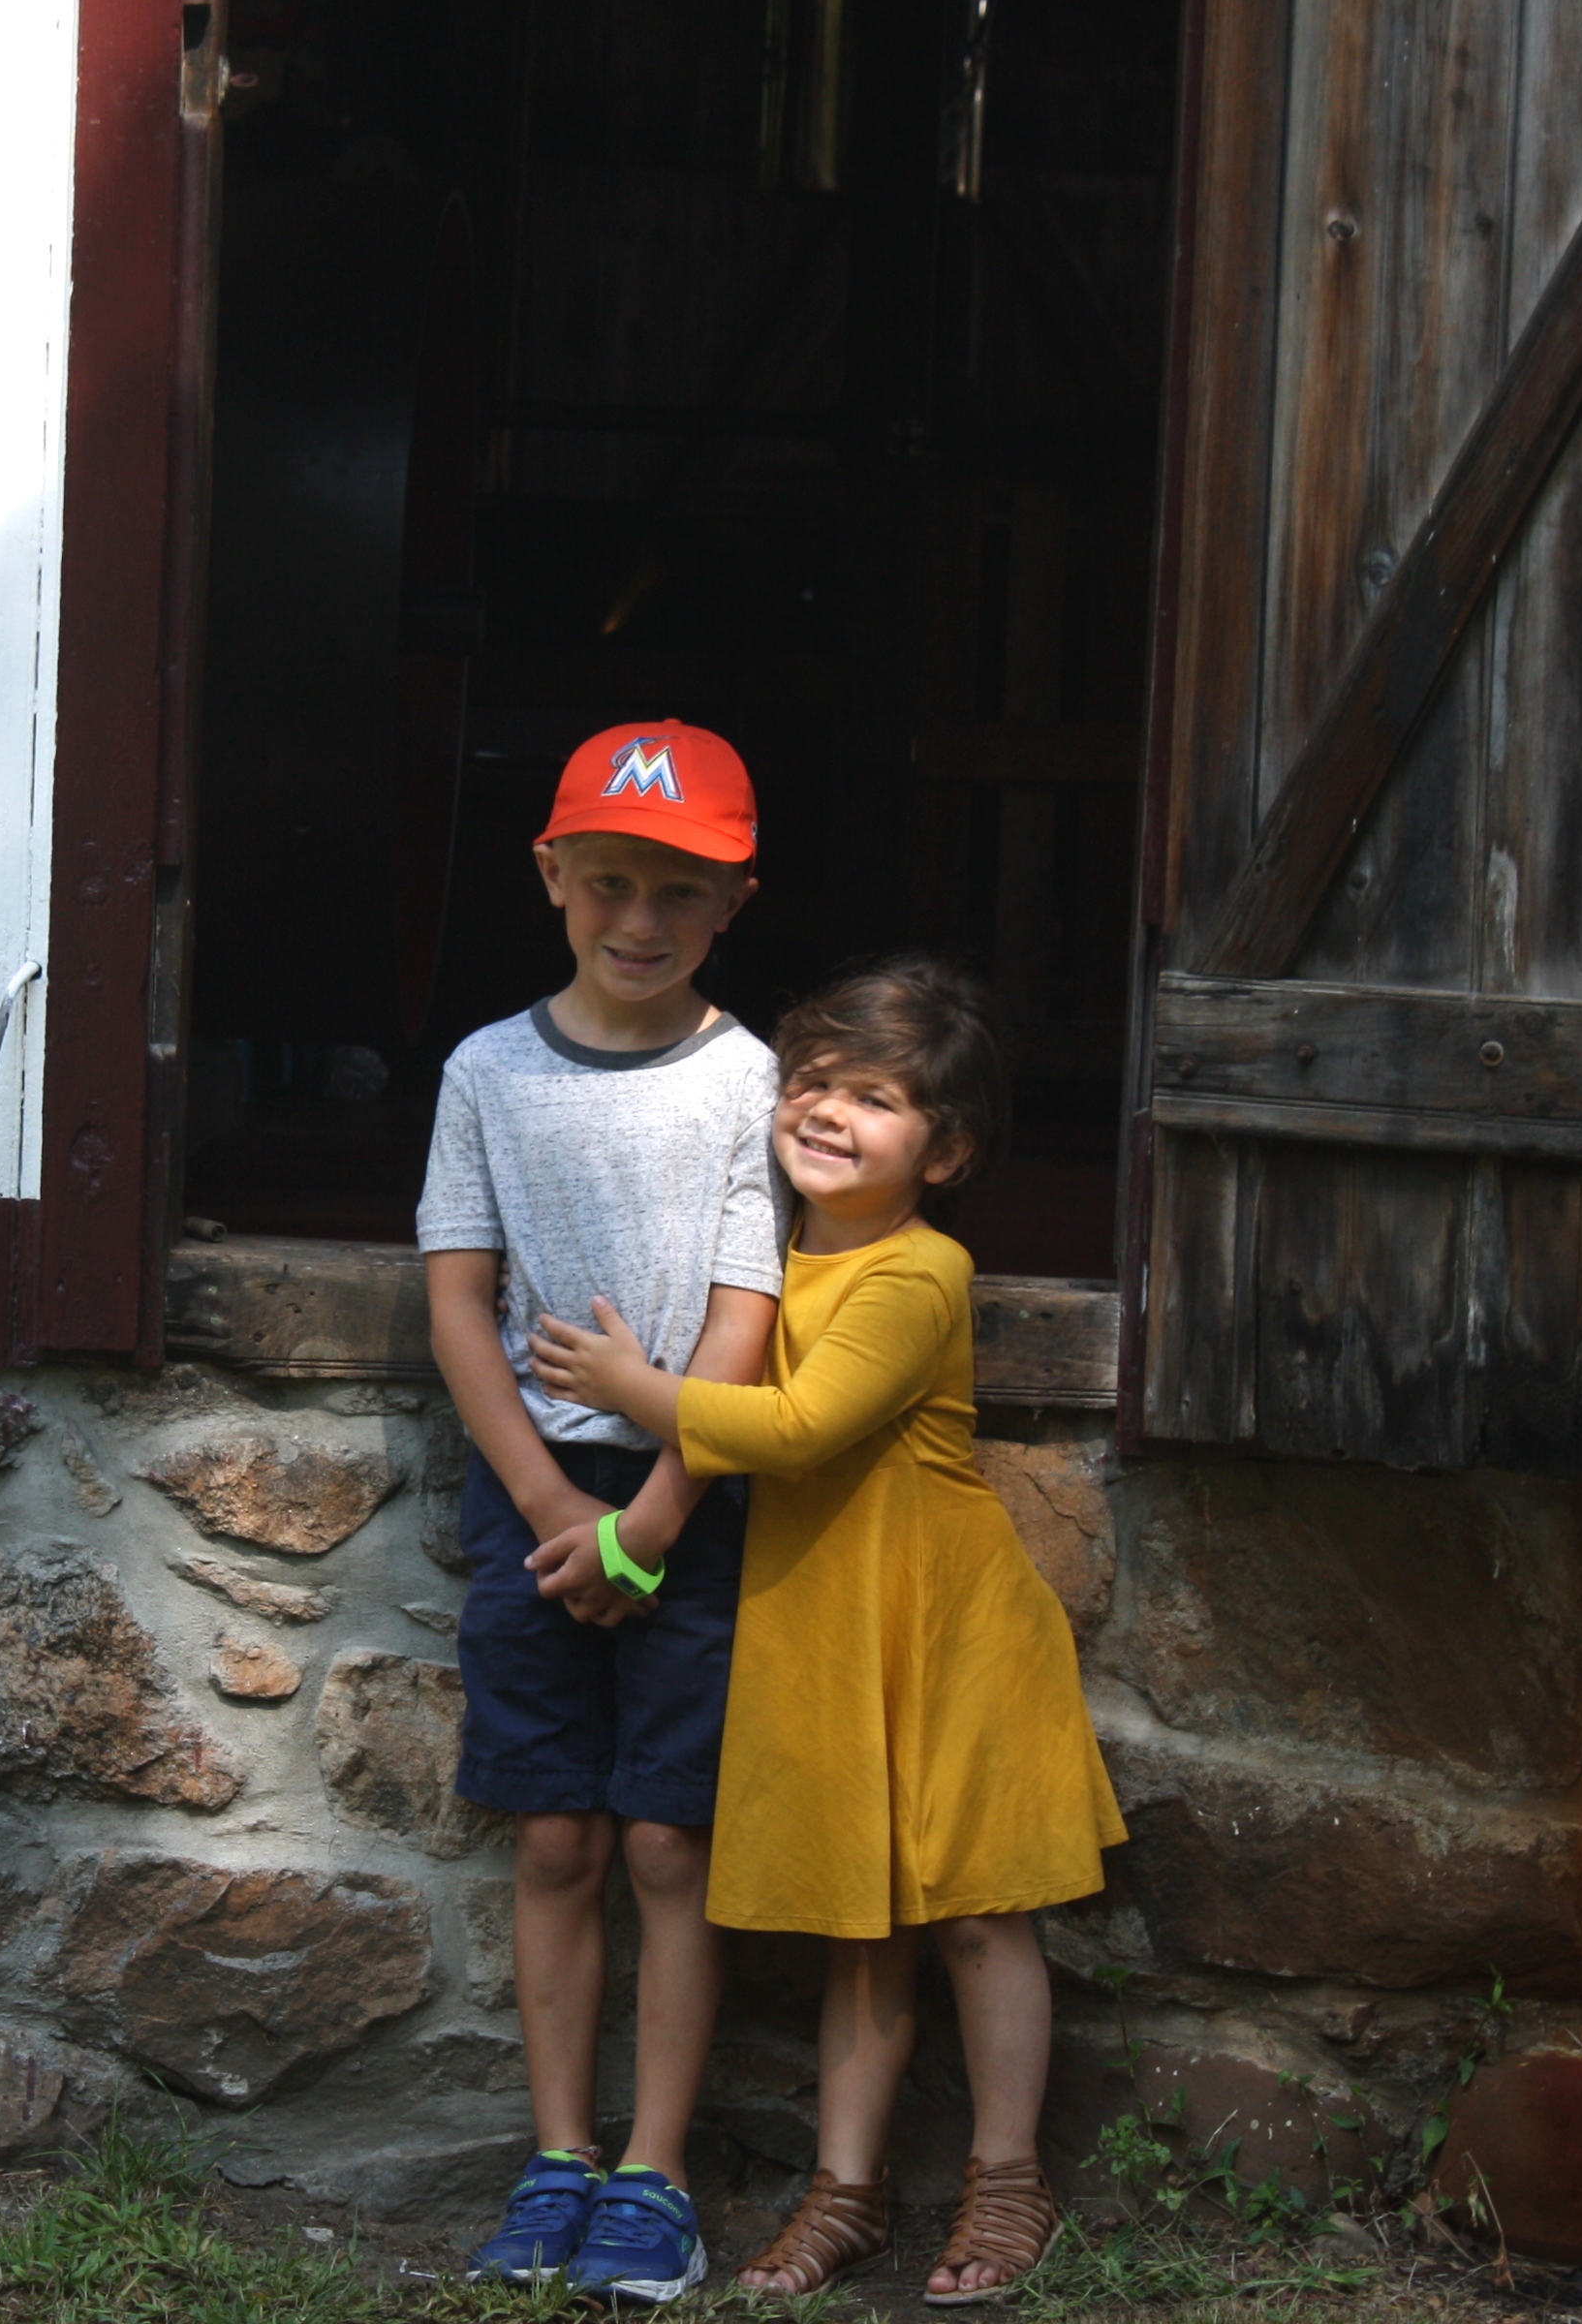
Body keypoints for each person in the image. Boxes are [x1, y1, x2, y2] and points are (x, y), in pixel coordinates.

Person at [531, 957, 1126, 2308]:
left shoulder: (922, 1271)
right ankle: (846, 2195)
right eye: (811, 1083)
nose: (829, 1112)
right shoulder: (761, 1263)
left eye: (876, 1098)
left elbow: (797, 1429)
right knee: (862, 1929)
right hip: (826, 1631)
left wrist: (637, 1388)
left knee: (979, 1917)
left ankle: (1008, 2179)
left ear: (947, 1152)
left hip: (947, 1628)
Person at [419, 719, 786, 2307]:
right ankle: (559, 2154)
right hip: (534, 1488)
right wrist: (552, 1500)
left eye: (682, 891)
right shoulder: (488, 1072)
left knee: (664, 1840)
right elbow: (459, 1300)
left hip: (688, 1497)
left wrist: (655, 1519)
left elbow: (747, 1308)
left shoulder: (747, 1078)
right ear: (552, 874)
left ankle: (658, 2174)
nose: (642, 920)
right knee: (559, 1833)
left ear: (735, 904)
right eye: (613, 882)